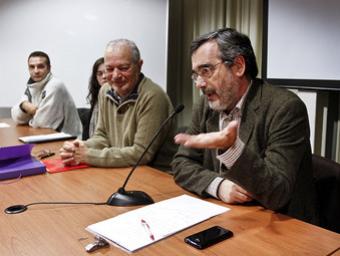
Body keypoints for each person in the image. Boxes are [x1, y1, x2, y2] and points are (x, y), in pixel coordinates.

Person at [171, 28, 318, 224]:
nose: (199, 83)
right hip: (227, 217)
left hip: (284, 225)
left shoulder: (284, 108)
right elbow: (180, 164)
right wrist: (217, 185)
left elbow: (278, 193)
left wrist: (233, 150)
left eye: (206, 71)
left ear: (238, 66)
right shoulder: (205, 105)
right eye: (196, 74)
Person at [59, 39, 176, 171]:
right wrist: (80, 147)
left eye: (123, 68)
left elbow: (141, 154)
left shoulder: (153, 96)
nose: (115, 75)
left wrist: (88, 155)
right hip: (122, 169)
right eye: (109, 69)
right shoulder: (105, 91)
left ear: (139, 65)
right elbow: (102, 137)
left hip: (154, 174)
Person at [11, 51, 82, 137]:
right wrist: (23, 105)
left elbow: (42, 123)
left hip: (69, 140)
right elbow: (16, 118)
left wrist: (30, 117)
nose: (36, 71)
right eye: (32, 67)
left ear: (49, 68)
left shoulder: (55, 85)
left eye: (40, 66)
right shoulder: (32, 86)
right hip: (44, 136)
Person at [82, 57, 107, 139]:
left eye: (107, 72)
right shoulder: (97, 98)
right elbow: (87, 133)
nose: (104, 76)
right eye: (100, 74)